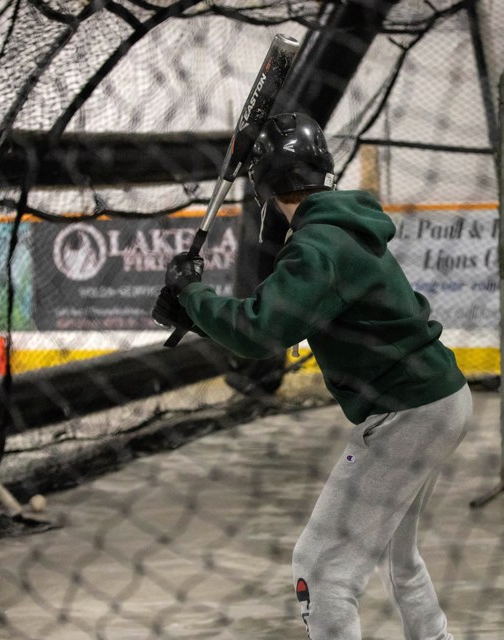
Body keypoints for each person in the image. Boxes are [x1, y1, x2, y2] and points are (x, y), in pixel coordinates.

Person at [152, 112, 470, 640]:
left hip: (406, 412)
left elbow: (260, 331)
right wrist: (197, 312)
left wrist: (192, 294)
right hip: (438, 399)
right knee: (398, 553)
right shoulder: (340, 230)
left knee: (320, 570)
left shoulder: (318, 244)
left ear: (265, 183)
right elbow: (278, 317)